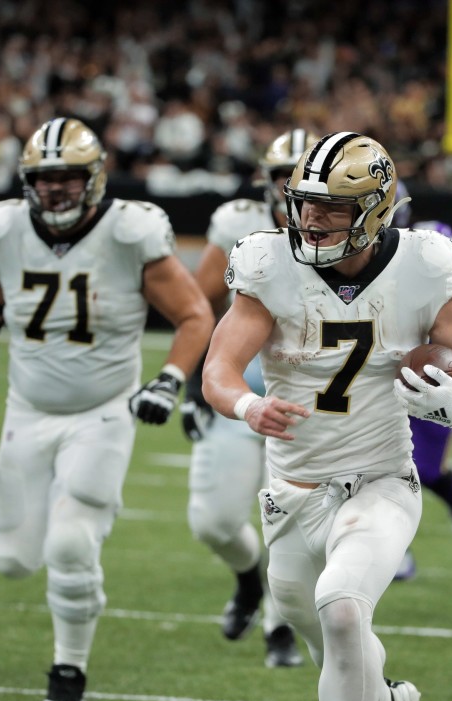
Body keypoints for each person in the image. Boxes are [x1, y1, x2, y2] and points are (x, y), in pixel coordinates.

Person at [203, 131, 452, 701]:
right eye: (304, 204)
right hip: (289, 492)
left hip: (379, 481)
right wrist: (247, 406)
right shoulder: (267, 262)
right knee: (335, 645)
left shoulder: (425, 263)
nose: (310, 219)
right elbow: (219, 370)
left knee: (342, 613)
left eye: (330, 209)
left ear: (375, 209)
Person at [0, 117, 214, 701]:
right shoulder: (4, 230)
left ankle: (68, 672)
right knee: (14, 560)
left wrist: (169, 380)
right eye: (44, 179)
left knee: (72, 543)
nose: (55, 191)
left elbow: (196, 315)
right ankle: (65, 639)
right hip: (27, 408)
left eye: (68, 178)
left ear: (95, 178)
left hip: (104, 410)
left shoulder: (130, 232)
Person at [179, 128, 316, 668]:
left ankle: (281, 628)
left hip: (308, 403)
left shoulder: (356, 237)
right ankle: (247, 581)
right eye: (286, 181)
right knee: (211, 521)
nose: (295, 195)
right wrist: (194, 387)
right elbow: (199, 307)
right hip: (240, 397)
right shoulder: (239, 224)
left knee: (289, 519)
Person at [394, 216, 452, 581]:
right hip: (388, 382)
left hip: (437, 383)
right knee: (381, 466)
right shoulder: (390, 283)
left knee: (428, 470)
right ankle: (394, 547)